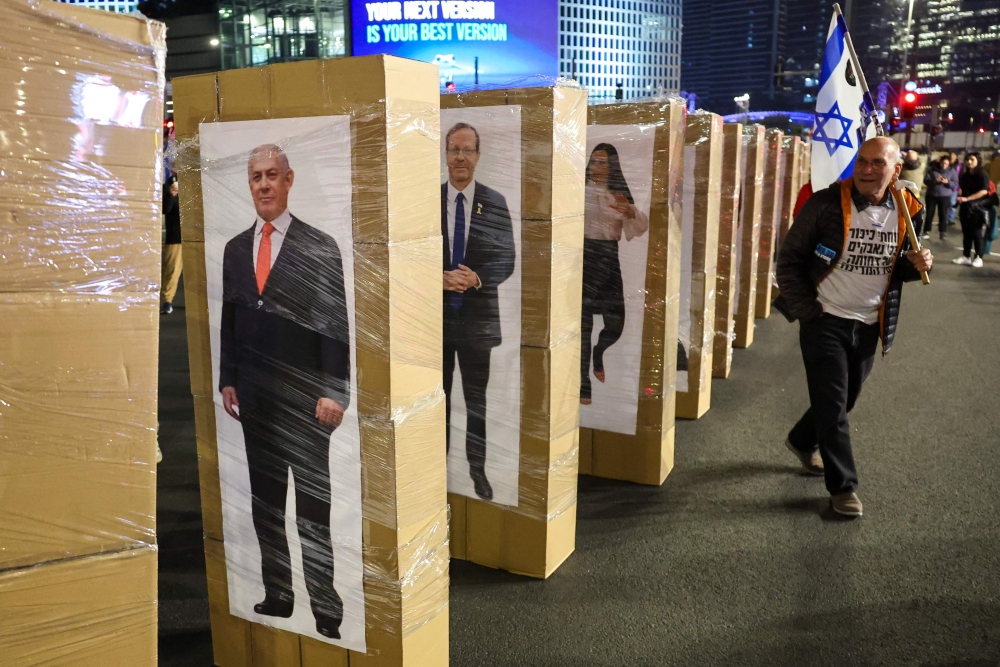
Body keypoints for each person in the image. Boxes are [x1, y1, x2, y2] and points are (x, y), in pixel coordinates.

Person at [219, 144, 350, 639]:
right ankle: (279, 594)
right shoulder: (235, 249)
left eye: (273, 175)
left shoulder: (320, 246)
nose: (265, 185)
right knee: (266, 505)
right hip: (255, 400)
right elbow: (230, 317)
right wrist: (227, 377)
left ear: (290, 180)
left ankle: (327, 609)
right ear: (249, 185)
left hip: (309, 403)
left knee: (313, 508)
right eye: (256, 177)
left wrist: (335, 390)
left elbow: (335, 325)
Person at [773, 137, 933, 518]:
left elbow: (899, 269)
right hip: (824, 319)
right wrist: (807, 311)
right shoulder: (827, 203)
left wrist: (919, 263)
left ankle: (800, 438)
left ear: (896, 170)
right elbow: (789, 259)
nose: (866, 169)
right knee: (833, 406)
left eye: (878, 163)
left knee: (846, 400)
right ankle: (843, 487)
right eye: (862, 161)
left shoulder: (908, 208)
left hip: (868, 323)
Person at [441, 123, 515, 501]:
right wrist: (437, 278)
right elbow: (407, 255)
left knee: (476, 403)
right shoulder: (428, 200)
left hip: (478, 325)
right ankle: (437, 470)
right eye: (454, 149)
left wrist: (477, 279)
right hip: (435, 324)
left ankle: (477, 471)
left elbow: (508, 259)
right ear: (445, 154)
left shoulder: (495, 202)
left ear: (478, 156)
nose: (460, 158)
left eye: (467, 150)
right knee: (438, 402)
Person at [579, 143, 649, 405]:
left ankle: (599, 353)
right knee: (583, 323)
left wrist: (629, 210)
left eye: (602, 163)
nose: (595, 167)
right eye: (593, 162)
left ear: (612, 168)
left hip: (609, 259)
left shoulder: (617, 197)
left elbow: (641, 228)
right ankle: (582, 381)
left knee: (615, 323)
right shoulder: (577, 192)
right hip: (584, 257)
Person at [951, 152, 992, 268]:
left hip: (978, 208)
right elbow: (962, 188)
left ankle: (979, 257)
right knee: (966, 233)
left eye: (972, 159)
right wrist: (960, 195)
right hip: (965, 207)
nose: (969, 162)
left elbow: (984, 191)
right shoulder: (965, 175)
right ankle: (966, 256)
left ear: (978, 161)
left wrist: (968, 198)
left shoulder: (982, 174)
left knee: (976, 233)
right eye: (967, 159)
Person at [922, 155, 958, 240]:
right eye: (942, 163)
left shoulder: (952, 171)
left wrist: (947, 182)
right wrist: (935, 181)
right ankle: (926, 230)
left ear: (949, 163)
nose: (944, 165)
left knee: (943, 214)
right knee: (929, 213)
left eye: (946, 164)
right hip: (932, 195)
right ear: (940, 162)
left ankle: (942, 232)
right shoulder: (932, 170)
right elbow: (926, 181)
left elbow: (955, 183)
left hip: (945, 196)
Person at [161, 175, 182, 314]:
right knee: (172, 270)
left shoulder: (197, 183)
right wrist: (171, 195)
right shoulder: (168, 185)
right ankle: (167, 301)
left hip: (197, 236)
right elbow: (165, 210)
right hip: (176, 237)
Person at [948, 152, 960, 225]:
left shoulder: (960, 166)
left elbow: (961, 176)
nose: (951, 156)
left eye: (953, 154)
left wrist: (960, 187)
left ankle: (951, 219)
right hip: (945, 187)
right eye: (951, 154)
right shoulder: (946, 163)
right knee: (945, 204)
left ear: (956, 156)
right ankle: (945, 218)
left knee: (952, 203)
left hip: (955, 188)